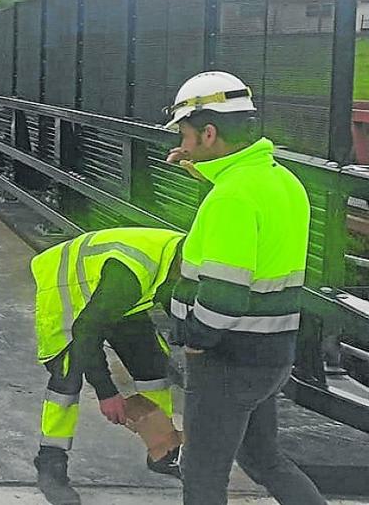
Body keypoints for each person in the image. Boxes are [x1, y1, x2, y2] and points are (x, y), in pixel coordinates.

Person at [163, 71, 325, 505]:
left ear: (209, 132)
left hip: (227, 359)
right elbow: (246, 209)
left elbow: (225, 295)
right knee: (262, 458)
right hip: (271, 352)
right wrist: (200, 169)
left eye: (186, 133)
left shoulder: (231, 199)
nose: (183, 142)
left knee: (201, 475)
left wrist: (195, 338)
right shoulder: (280, 181)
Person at [32, 227, 185, 504]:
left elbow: (171, 297)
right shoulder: (130, 274)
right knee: (68, 375)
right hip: (68, 290)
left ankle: (164, 448)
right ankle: (50, 462)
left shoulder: (180, 255)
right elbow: (86, 330)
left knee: (152, 364)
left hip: (121, 297)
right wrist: (106, 392)